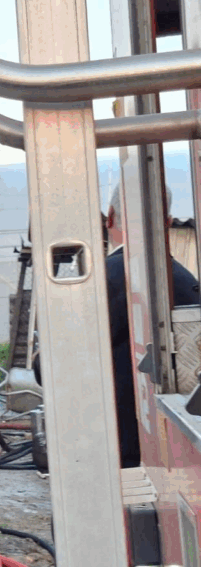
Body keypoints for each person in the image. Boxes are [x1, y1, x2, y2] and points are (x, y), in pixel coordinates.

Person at [104, 186, 199, 468]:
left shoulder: (99, 281)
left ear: (110, 217)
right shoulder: (186, 281)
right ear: (167, 223)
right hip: (177, 445)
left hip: (116, 449)